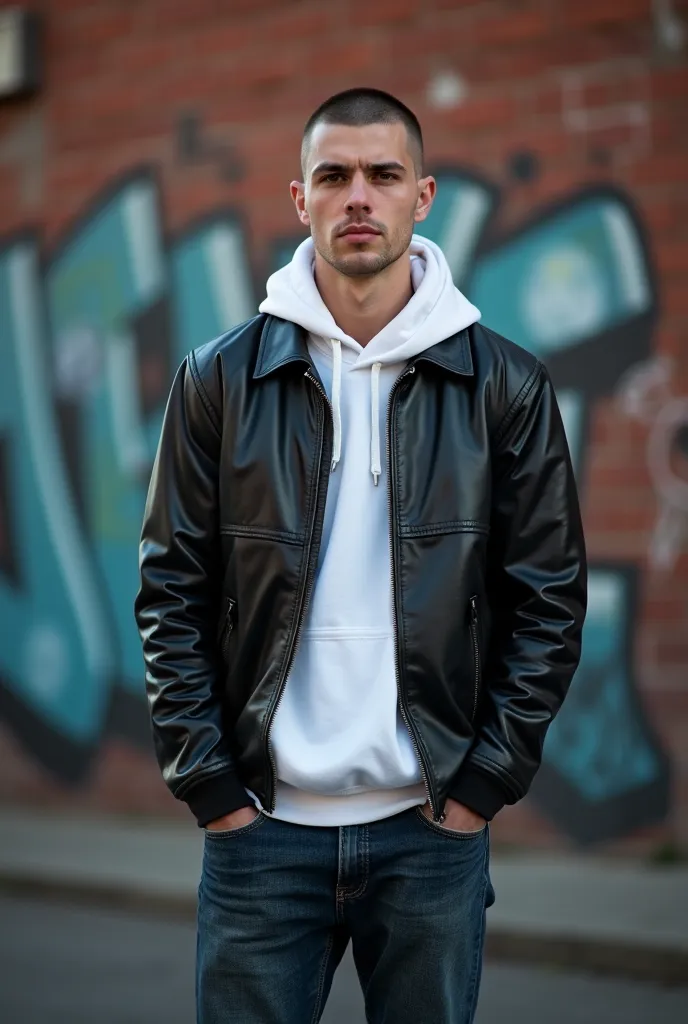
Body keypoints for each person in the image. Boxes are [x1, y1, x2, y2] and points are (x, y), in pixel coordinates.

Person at [135, 87, 587, 1024]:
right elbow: (169, 589)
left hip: (429, 833)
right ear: (299, 199)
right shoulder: (219, 378)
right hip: (261, 831)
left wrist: (481, 787)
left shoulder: (502, 382)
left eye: (382, 175)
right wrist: (211, 785)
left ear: (422, 197)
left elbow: (548, 598)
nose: (358, 198)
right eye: (333, 176)